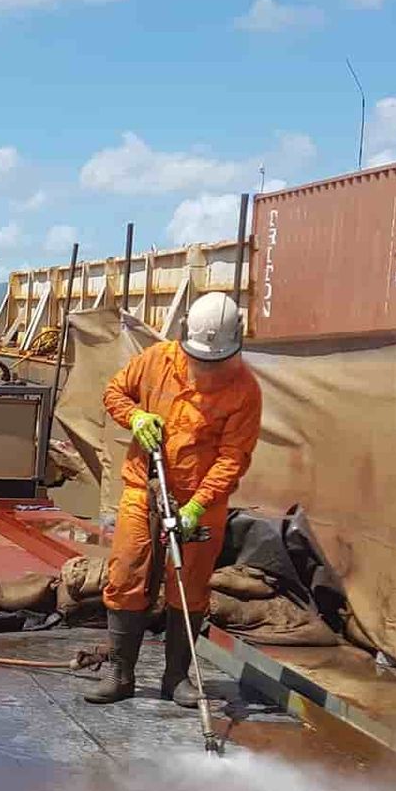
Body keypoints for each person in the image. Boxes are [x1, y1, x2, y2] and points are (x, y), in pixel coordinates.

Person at [84, 292, 262, 708]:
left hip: (203, 500)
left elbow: (233, 457)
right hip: (143, 488)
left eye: (214, 362)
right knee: (127, 573)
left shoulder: (244, 391)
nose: (205, 369)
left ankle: (177, 678)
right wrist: (136, 416)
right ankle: (121, 674)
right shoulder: (157, 361)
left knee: (189, 587)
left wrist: (197, 506)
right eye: (200, 360)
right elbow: (115, 393)